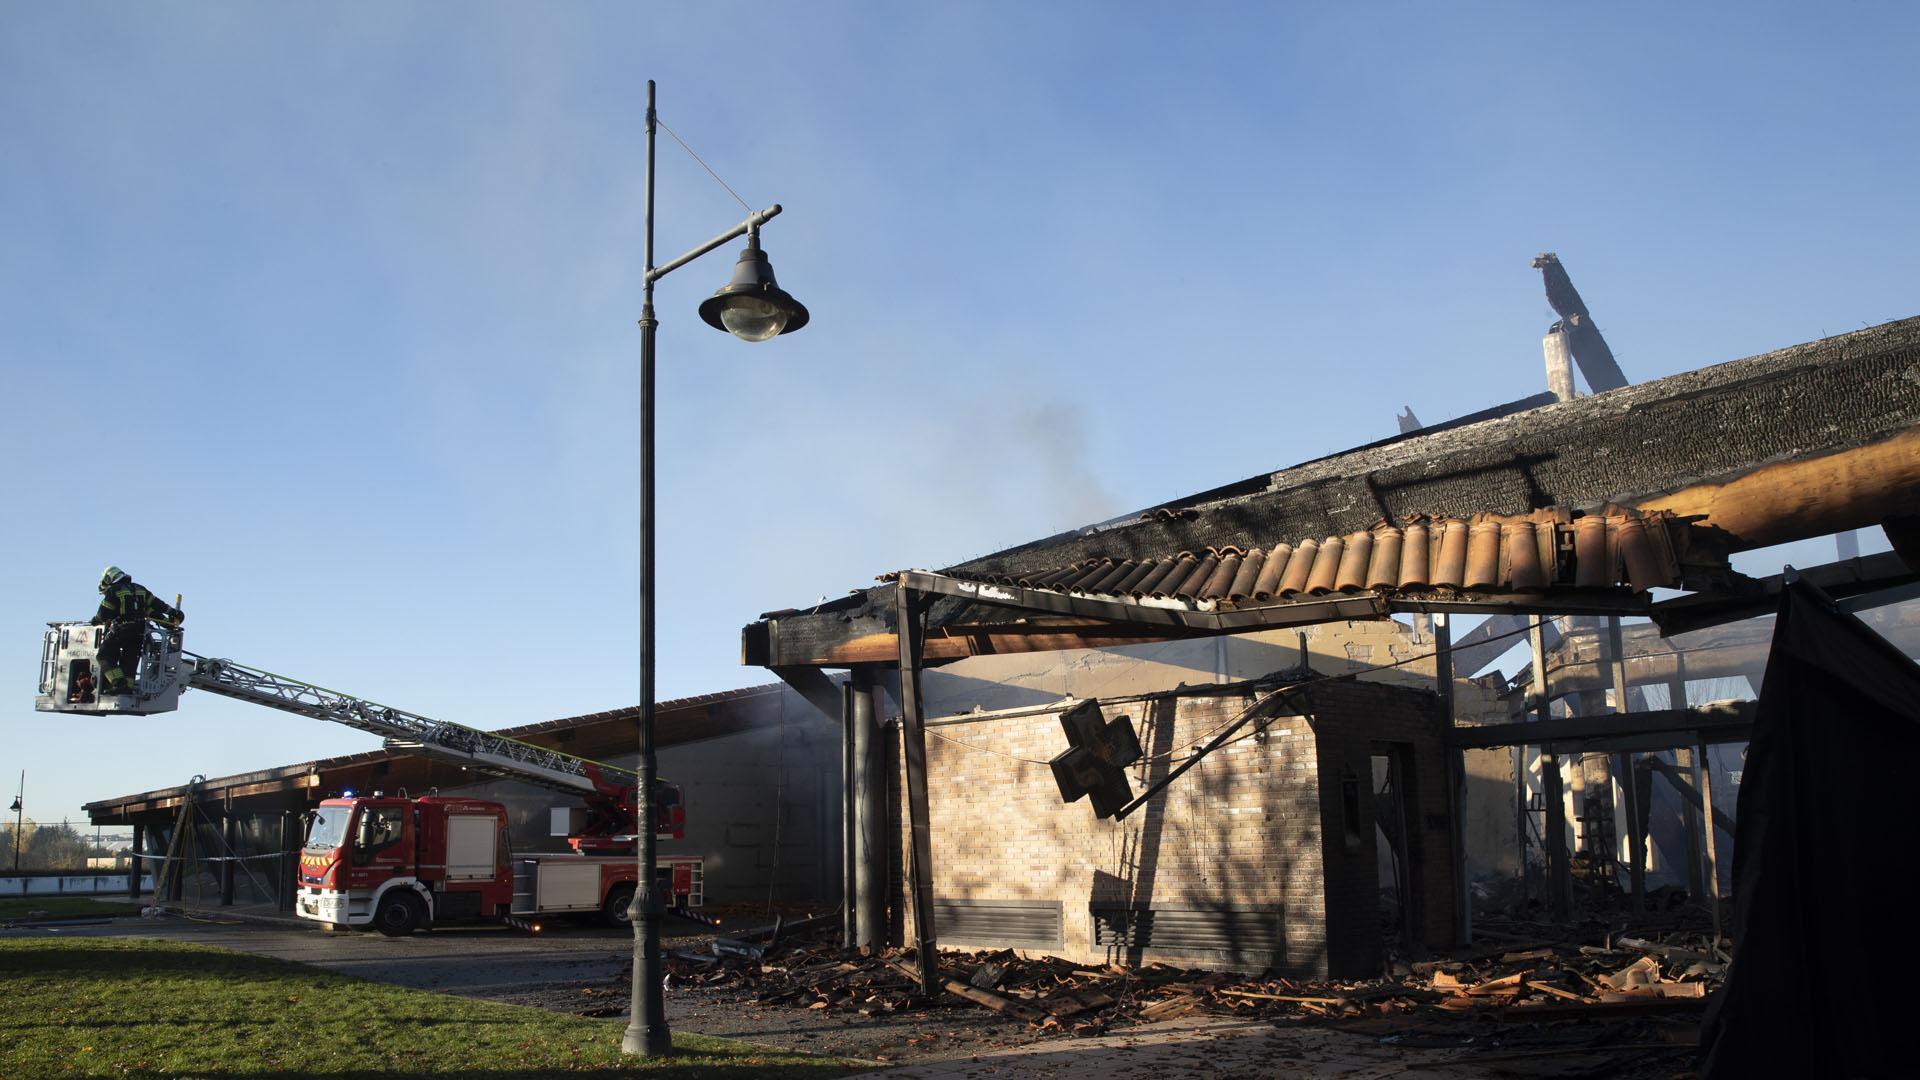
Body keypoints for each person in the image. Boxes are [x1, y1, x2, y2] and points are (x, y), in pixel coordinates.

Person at [89, 566, 183, 696]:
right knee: (129, 659)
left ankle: (118, 683)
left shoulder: (113, 591)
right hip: (139, 632)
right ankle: (127, 687)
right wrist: (173, 615)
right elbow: (154, 607)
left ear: (109, 579)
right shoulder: (139, 589)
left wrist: (95, 620)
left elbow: (103, 614)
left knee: (104, 656)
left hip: (122, 630)